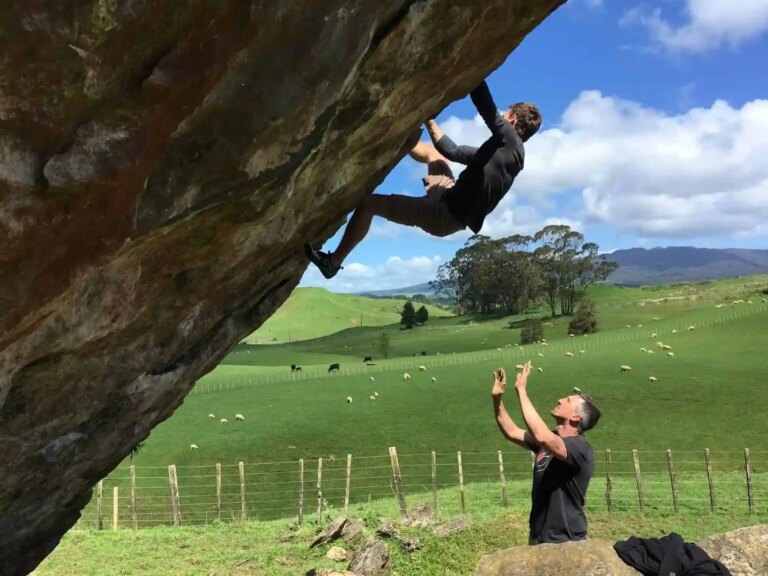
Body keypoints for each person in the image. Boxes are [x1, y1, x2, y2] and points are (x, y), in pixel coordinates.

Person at [305, 79, 542, 279]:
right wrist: (427, 119)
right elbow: (453, 151)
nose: (501, 116)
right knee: (433, 154)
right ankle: (403, 136)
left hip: (443, 216)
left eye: (506, 114)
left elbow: (485, 105)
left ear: (511, 122)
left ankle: (332, 264)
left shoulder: (510, 142)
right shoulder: (503, 155)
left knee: (368, 204)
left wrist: (476, 70)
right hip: (448, 195)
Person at [491, 361, 601, 545]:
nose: (560, 399)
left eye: (567, 401)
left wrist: (522, 391)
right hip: (538, 536)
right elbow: (511, 432)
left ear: (575, 418)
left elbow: (542, 436)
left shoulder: (580, 448)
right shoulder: (552, 439)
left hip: (566, 540)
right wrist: (497, 400)